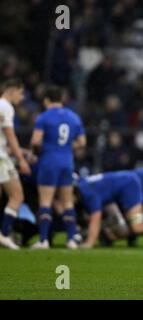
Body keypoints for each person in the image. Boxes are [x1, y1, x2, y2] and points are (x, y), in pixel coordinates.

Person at [30, 85, 86, 249]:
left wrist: (38, 151)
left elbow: (35, 141)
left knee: (46, 201)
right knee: (67, 201)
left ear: (46, 100)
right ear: (62, 99)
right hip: (67, 161)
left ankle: (43, 240)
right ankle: (71, 239)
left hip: (49, 161)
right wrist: (66, 147)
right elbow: (82, 142)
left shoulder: (43, 117)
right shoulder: (74, 117)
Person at [76, 171, 143, 248]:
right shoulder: (83, 186)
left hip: (129, 184)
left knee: (137, 227)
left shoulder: (87, 192)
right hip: (120, 188)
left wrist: (89, 243)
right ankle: (131, 237)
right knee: (115, 229)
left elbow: (96, 218)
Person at [0, 79, 31, 250]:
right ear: (13, 90)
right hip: (1, 159)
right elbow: (10, 136)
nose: (22, 97)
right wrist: (22, 160)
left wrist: (21, 152)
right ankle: (3, 235)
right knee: (17, 196)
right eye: (21, 92)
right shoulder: (6, 107)